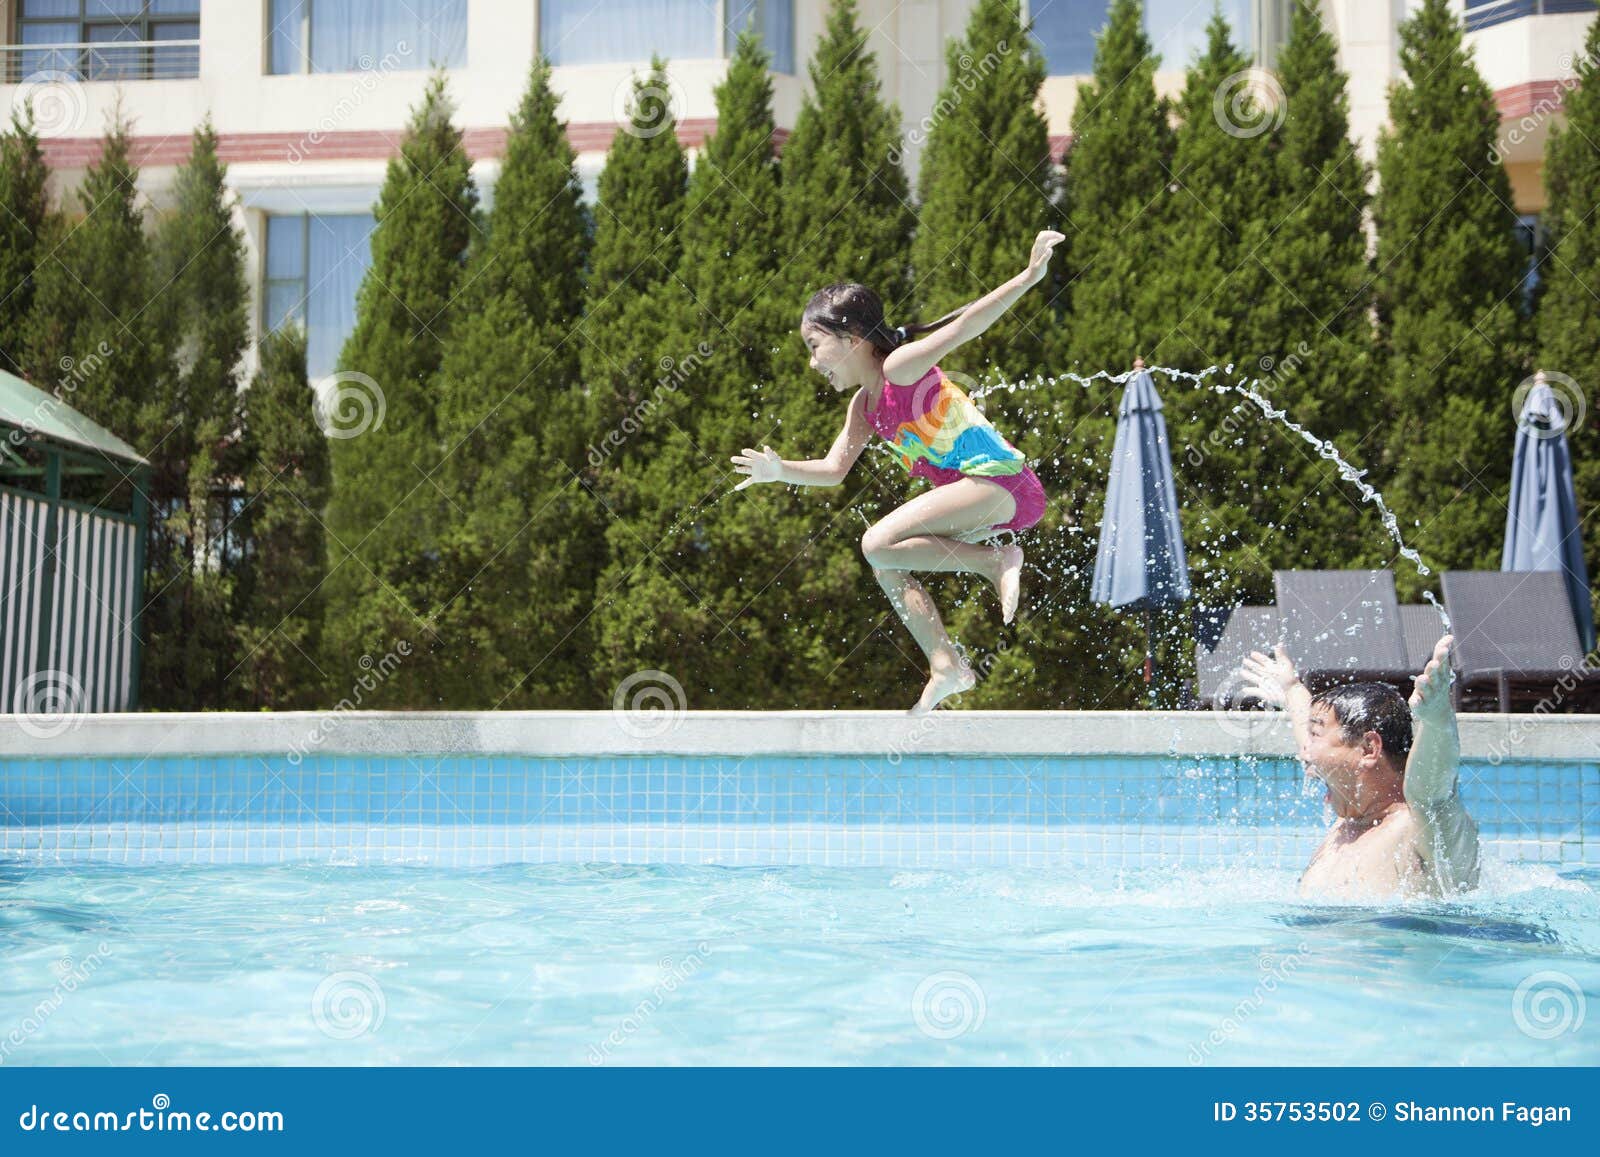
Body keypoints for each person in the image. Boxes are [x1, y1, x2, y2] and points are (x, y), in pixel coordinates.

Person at [730, 230, 1063, 714]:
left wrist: (1029, 276)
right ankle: (946, 664)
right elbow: (832, 469)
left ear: (851, 339)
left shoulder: (900, 368)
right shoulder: (863, 408)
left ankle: (995, 562)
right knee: (885, 561)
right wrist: (779, 470)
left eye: (815, 344)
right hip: (976, 497)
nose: (811, 361)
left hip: (1001, 482)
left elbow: (967, 326)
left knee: (875, 543)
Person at [1238, 634, 1480, 900]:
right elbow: (1310, 734)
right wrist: (1291, 687)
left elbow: (1432, 791)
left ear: (1368, 749)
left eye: (1315, 735)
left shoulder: (1421, 829)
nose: (1304, 751)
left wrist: (1436, 719)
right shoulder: (1348, 823)